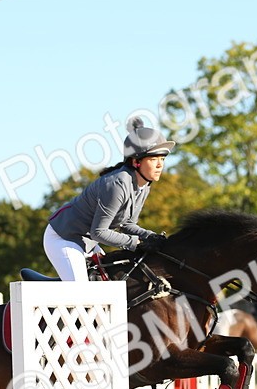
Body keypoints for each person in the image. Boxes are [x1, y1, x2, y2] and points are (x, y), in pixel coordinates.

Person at [44, 116, 174, 281]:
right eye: (154, 159)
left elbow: (127, 224)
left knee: (108, 285)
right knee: (83, 296)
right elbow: (99, 232)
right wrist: (137, 243)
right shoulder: (117, 184)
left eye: (162, 159)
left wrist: (150, 236)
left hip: (87, 242)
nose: (160, 165)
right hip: (64, 238)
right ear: (136, 162)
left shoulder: (143, 185)